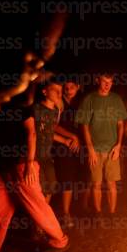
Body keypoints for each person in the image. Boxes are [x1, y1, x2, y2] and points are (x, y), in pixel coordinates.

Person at [0, 101, 70, 252]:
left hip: (21, 164)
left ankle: (59, 241)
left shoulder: (20, 107)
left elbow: (32, 133)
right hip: (1, 166)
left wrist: (29, 163)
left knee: (36, 204)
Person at [76, 73, 126, 215]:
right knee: (96, 183)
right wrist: (90, 149)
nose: (107, 85)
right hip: (95, 149)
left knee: (112, 183)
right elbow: (84, 125)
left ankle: (112, 212)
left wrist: (119, 145)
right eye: (104, 81)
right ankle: (98, 213)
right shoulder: (90, 99)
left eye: (110, 82)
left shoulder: (116, 100)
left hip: (112, 149)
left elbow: (121, 124)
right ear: (97, 80)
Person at [53, 79, 83, 228]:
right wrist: (72, 137)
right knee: (64, 180)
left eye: (72, 87)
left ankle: (66, 212)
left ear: (78, 88)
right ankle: (64, 214)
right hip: (60, 146)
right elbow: (53, 125)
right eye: (66, 87)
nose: (68, 89)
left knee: (70, 179)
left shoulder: (78, 104)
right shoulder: (59, 103)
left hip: (74, 148)